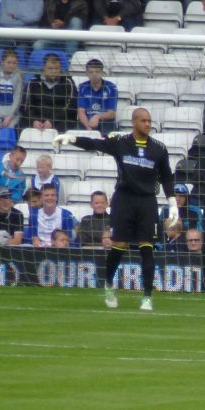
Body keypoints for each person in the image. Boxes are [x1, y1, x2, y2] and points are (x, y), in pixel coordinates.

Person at [53, 107, 179, 312]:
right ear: (134, 123)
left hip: (147, 201)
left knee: (147, 248)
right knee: (118, 245)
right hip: (124, 200)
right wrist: (73, 139)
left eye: (149, 120)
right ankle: (109, 284)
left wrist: (173, 203)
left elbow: (166, 177)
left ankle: (147, 296)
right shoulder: (121, 142)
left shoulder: (159, 149)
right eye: (143, 120)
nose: (148, 124)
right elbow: (96, 144)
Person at [22, 53, 77, 132]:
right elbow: (26, 105)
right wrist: (34, 120)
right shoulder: (33, 82)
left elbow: (71, 106)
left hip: (60, 121)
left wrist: (52, 121)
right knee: (23, 124)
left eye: (56, 68)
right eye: (50, 68)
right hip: (37, 120)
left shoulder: (68, 82)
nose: (54, 71)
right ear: (44, 67)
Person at [26, 183, 76, 247]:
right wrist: (34, 239)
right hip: (39, 250)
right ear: (41, 198)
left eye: (53, 195)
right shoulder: (34, 215)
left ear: (56, 197)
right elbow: (30, 238)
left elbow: (67, 240)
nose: (50, 198)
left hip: (59, 250)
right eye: (46, 195)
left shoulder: (66, 215)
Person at [77, 58, 117, 134]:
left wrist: (97, 117)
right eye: (91, 72)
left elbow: (111, 113)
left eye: (97, 72)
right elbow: (81, 111)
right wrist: (87, 126)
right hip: (87, 121)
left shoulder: (111, 87)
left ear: (102, 72)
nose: (94, 75)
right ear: (87, 73)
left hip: (105, 122)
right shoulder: (82, 87)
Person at [0, 48, 23, 130]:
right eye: (8, 62)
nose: (11, 65)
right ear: (2, 62)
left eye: (14, 63)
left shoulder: (19, 75)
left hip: (12, 110)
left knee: (9, 128)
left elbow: (18, 98)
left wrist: (10, 117)